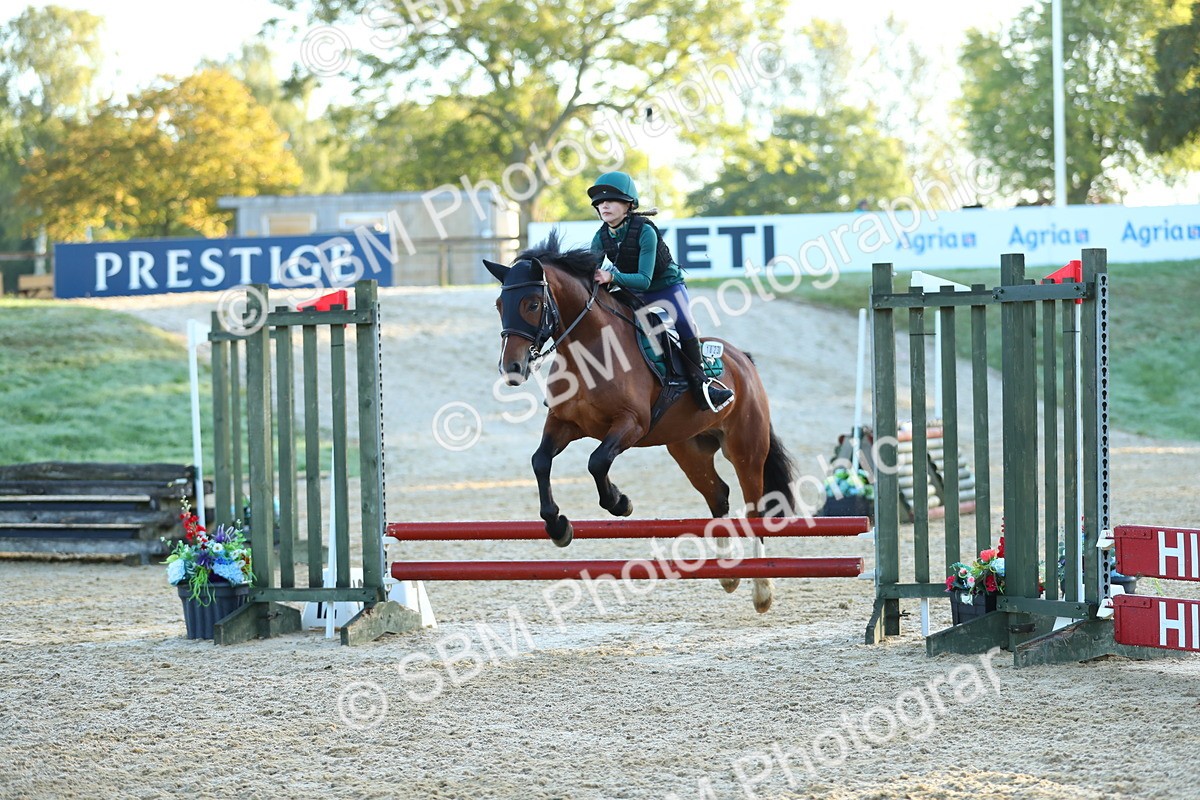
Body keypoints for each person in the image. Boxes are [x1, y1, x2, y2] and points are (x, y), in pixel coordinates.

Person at [587, 171, 734, 411]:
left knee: (684, 324)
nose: (604, 205)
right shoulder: (600, 236)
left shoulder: (645, 230)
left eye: (611, 200)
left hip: (666, 288)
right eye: (599, 202)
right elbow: (590, 271)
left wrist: (611, 276)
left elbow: (644, 280)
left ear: (629, 205)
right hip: (632, 291)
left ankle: (702, 386)